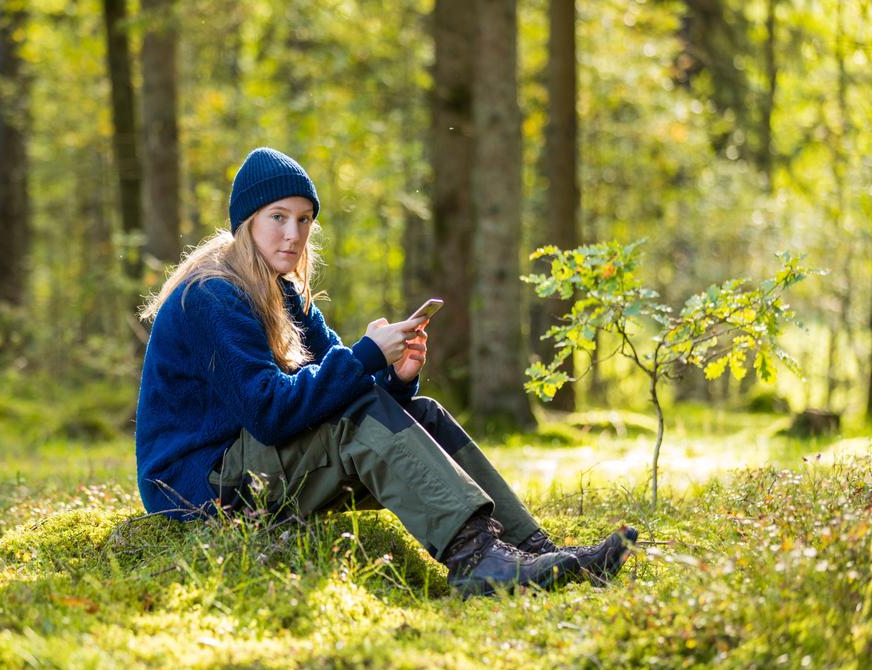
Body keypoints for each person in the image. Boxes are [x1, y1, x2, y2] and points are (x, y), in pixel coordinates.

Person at [135, 147, 637, 597]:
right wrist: (363, 357)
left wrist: (395, 376)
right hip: (199, 489)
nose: (294, 234)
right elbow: (269, 411)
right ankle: (475, 560)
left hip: (251, 466)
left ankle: (532, 550)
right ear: (248, 220)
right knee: (357, 417)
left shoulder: (282, 290)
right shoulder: (212, 295)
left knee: (425, 414)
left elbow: (343, 390)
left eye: (305, 219)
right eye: (278, 217)